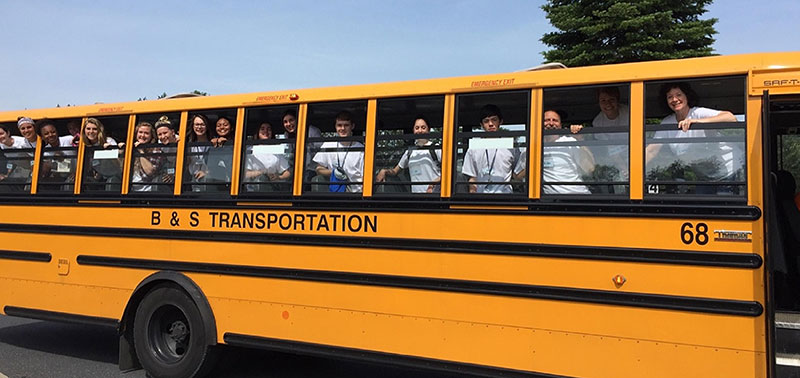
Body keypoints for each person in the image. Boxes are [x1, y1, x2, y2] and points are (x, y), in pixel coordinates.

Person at [645, 82, 739, 193]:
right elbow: (652, 150)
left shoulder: (697, 113)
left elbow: (730, 117)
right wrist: (632, 169)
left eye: (678, 95)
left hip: (726, 170)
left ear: (687, 96)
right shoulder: (667, 122)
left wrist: (698, 122)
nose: (674, 99)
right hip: (703, 174)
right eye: (670, 97)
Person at [461, 104, 524, 194]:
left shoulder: (510, 146)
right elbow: (472, 177)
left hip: (505, 197)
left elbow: (517, 175)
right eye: (486, 121)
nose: (490, 124)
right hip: (481, 197)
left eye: (494, 120)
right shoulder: (474, 147)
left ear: (500, 121)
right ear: (481, 124)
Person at [375, 116, 441, 193]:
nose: (420, 131)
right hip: (416, 197)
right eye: (417, 128)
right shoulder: (410, 151)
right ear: (413, 130)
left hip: (433, 196)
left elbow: (448, 173)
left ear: (428, 130)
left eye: (423, 127)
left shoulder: (435, 148)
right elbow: (395, 171)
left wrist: (433, 184)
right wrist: (384, 171)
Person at [540, 110, 594, 194]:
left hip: (578, 196)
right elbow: (518, 176)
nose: (551, 123)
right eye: (546, 120)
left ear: (560, 125)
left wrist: (579, 140)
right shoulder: (534, 146)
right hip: (553, 200)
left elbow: (590, 168)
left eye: (555, 120)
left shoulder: (569, 141)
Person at [313, 111, 364, 193]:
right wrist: (333, 173)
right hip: (334, 193)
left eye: (346, 125)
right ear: (335, 127)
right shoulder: (328, 145)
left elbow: (365, 177)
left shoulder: (361, 149)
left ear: (352, 126)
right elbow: (318, 169)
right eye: (339, 125)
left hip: (355, 194)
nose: (342, 129)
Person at [244, 122, 291, 192]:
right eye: (262, 129)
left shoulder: (277, 149)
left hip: (274, 190)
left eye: (268, 129)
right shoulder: (250, 150)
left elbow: (287, 172)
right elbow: (245, 174)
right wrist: (263, 172)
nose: (266, 131)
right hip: (254, 190)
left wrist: (278, 177)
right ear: (258, 132)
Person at [282, 109, 322, 182]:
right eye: (285, 122)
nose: (288, 124)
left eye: (291, 120)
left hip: (312, 168)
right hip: (296, 168)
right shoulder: (287, 135)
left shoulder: (311, 131)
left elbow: (321, 151)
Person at [130, 121, 161, 192]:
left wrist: (141, 152)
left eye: (146, 133)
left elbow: (150, 172)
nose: (142, 135)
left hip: (146, 191)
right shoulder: (131, 148)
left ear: (151, 136)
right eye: (140, 132)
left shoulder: (156, 150)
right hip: (130, 190)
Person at [185, 114, 212, 189]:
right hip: (193, 180)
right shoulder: (189, 145)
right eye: (197, 124)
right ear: (193, 126)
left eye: (202, 124)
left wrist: (206, 173)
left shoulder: (212, 143)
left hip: (209, 180)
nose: (199, 127)